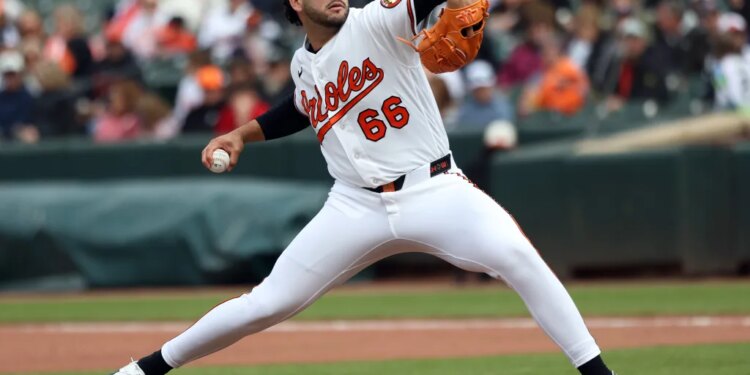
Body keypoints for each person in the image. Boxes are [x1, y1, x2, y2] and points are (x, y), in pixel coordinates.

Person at [113, 0, 616, 374]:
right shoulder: (301, 64)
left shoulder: (381, 18)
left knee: (516, 256)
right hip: (352, 205)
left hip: (434, 189)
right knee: (266, 303)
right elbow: (299, 106)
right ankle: (144, 370)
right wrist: (243, 132)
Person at [455, 60, 514, 130]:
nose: (481, 92)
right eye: (477, 89)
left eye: (484, 88)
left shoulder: (503, 108)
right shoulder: (464, 111)